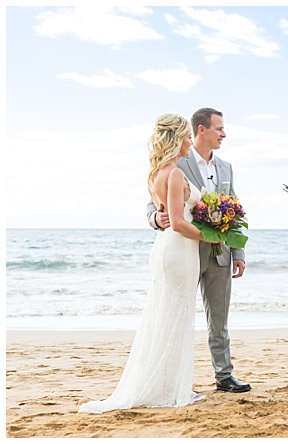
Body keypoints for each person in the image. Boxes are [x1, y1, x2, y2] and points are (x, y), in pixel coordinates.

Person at [79, 113, 205, 413]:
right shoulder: (174, 175)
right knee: (175, 317)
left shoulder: (157, 174)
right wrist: (210, 237)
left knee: (168, 317)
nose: (191, 141)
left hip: (168, 250)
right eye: (187, 136)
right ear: (177, 139)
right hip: (178, 250)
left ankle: (170, 383)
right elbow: (176, 222)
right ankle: (169, 388)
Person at [147, 107, 250, 393]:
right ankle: (173, 377)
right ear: (201, 130)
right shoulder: (176, 165)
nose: (224, 134)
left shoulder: (226, 168)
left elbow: (236, 210)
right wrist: (156, 218)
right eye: (219, 129)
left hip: (220, 254)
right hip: (186, 251)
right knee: (175, 313)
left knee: (219, 317)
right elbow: (154, 204)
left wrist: (238, 253)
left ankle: (224, 375)